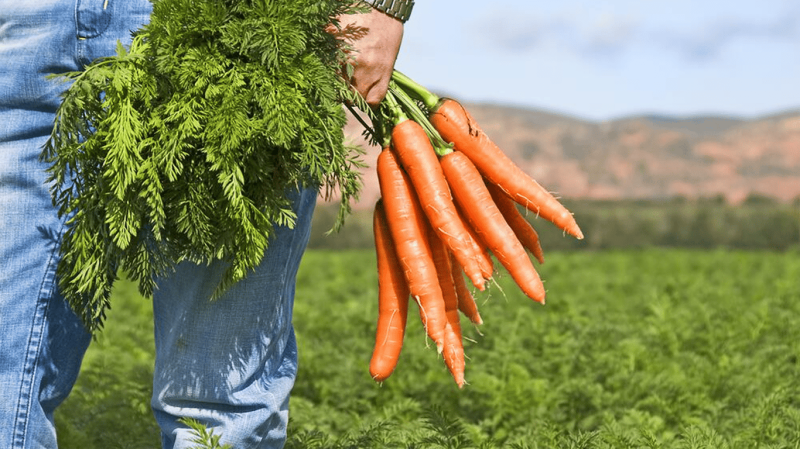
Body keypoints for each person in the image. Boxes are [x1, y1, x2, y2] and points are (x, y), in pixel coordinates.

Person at [0, 0, 408, 447]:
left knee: (219, 401)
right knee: (7, 388)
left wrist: (381, 5)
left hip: (244, 30)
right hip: (33, 28)